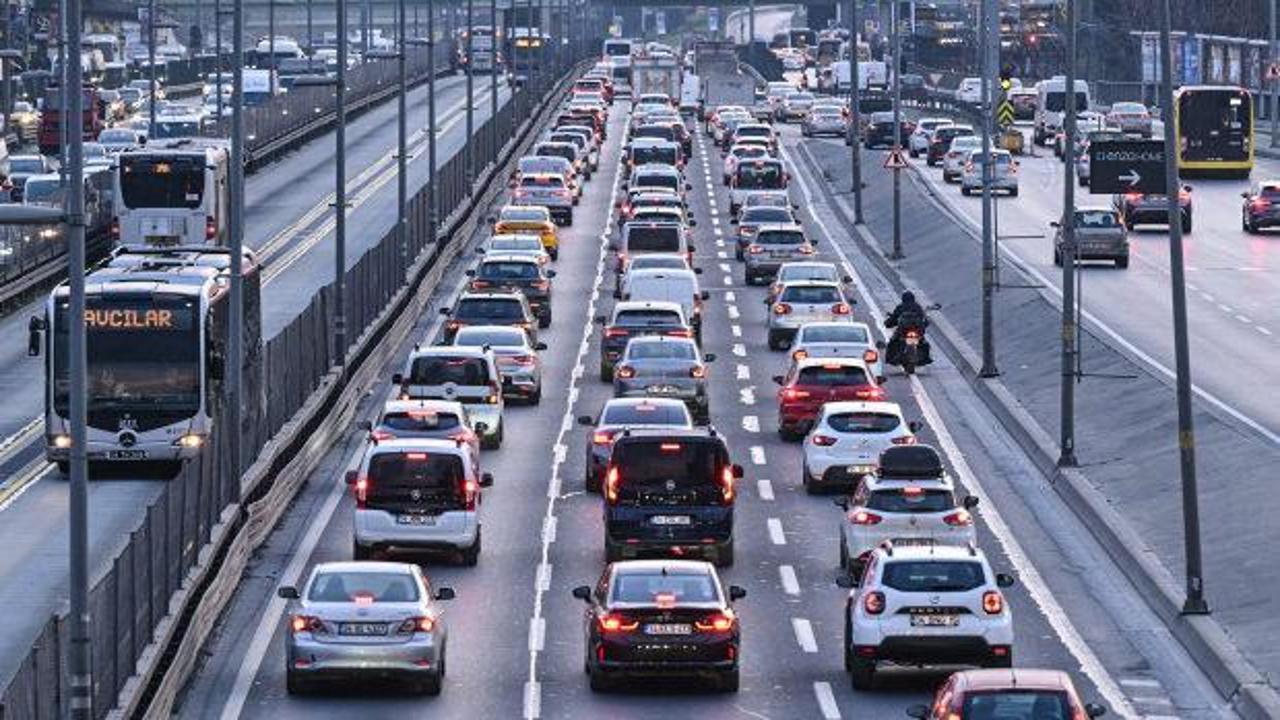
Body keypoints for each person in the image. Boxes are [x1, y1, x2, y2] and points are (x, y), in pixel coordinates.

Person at [884, 291, 932, 367]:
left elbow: (893, 318)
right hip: (916, 331)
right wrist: (924, 325)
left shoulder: (900, 307)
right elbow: (923, 319)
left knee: (892, 342)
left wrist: (888, 323)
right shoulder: (917, 307)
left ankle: (890, 358)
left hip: (904, 332)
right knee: (924, 343)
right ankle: (926, 358)